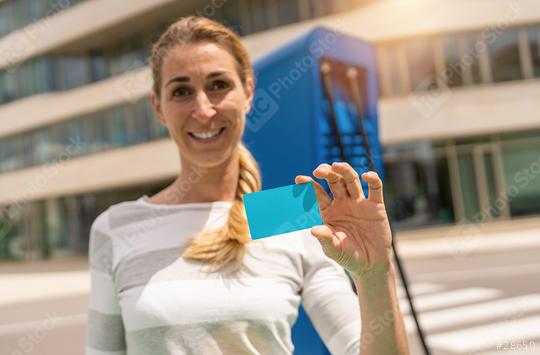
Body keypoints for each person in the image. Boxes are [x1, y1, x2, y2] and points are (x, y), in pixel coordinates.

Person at [86, 16, 409, 355]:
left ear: (248, 93)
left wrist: (375, 273)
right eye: (181, 91)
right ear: (159, 107)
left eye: (218, 85)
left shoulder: (290, 210)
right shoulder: (117, 227)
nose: (203, 108)